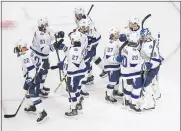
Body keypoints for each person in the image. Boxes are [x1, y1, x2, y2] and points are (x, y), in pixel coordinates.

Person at [14, 39, 48, 122]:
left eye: (18, 47)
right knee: (26, 90)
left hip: (33, 76)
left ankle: (42, 112)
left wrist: (30, 79)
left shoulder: (26, 55)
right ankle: (32, 106)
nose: (18, 49)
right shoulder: (30, 51)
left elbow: (31, 68)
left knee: (34, 95)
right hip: (31, 75)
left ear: (21, 47)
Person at [30, 17, 65, 97]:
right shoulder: (40, 35)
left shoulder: (44, 30)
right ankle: (38, 89)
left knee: (45, 70)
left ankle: (41, 87)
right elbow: (44, 50)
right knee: (40, 72)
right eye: (45, 24)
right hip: (38, 56)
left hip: (43, 56)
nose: (47, 25)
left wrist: (57, 34)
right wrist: (54, 46)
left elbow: (50, 37)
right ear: (42, 25)